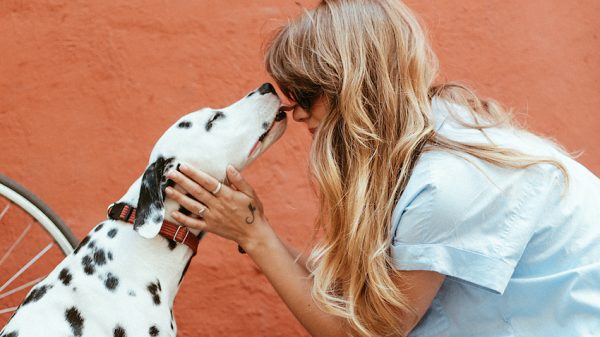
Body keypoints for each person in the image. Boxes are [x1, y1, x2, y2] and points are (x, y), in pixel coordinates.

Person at [164, 1, 600, 336]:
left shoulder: (447, 183)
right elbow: (349, 303)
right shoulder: (424, 146)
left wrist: (253, 235)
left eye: (304, 91)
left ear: (351, 86)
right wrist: (254, 228)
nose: (293, 110)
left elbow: (365, 331)